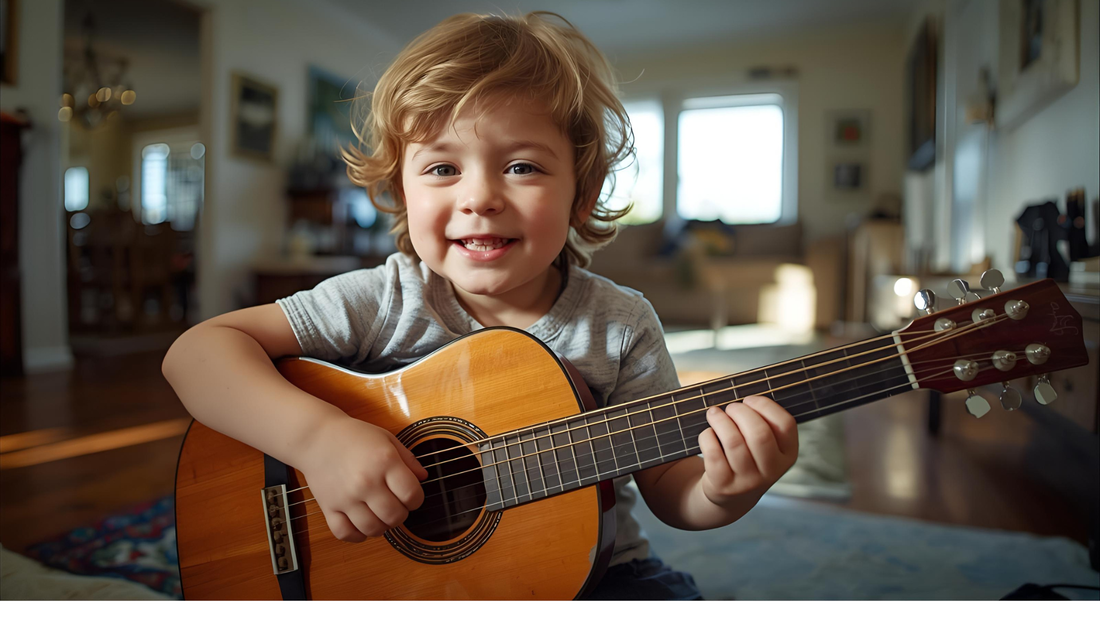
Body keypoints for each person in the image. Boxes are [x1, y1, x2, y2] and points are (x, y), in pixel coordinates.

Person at [161, 11, 799, 600]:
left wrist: (725, 487)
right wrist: (318, 440)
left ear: (583, 192)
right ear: (400, 189)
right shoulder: (385, 298)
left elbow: (672, 494)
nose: (480, 197)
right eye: (442, 169)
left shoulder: (620, 326)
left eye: (522, 167)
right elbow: (196, 355)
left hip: (596, 575)